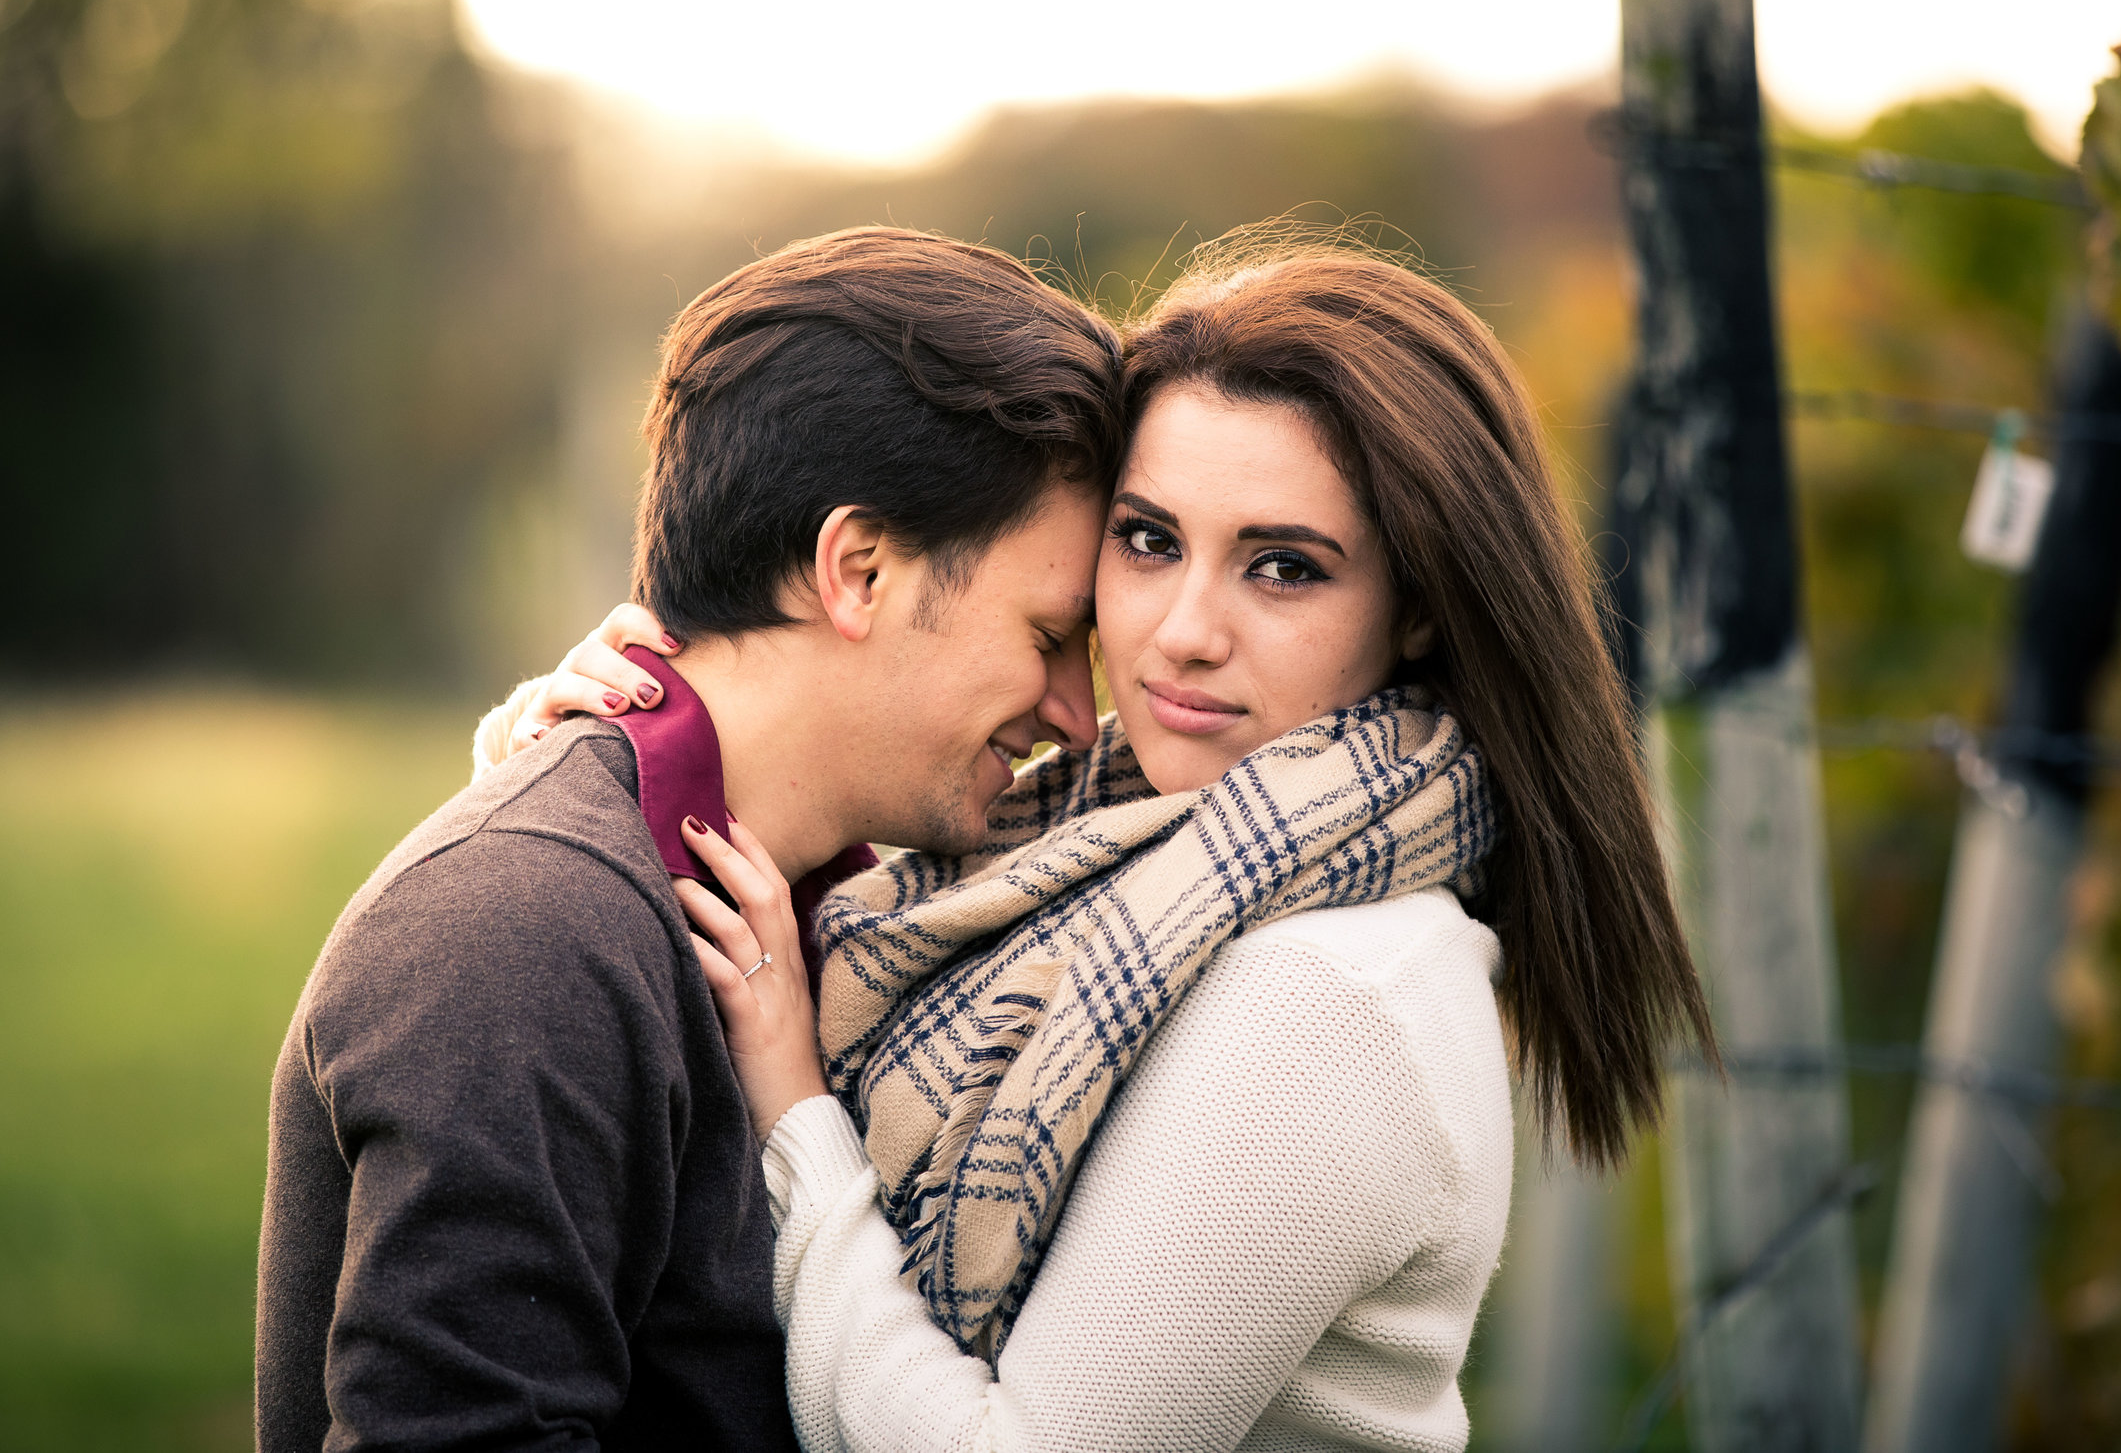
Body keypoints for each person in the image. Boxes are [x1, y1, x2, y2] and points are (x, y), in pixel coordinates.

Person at [510, 238, 1714, 1453]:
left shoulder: (1334, 994)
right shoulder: (1096, 847)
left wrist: (795, 1110)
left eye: (1283, 567)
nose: (1184, 631)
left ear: (1416, 608)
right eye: (1147, 540)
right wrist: (614, 773)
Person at [254, 225, 1125, 1452]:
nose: (1077, 715)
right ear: (859, 569)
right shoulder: (519, 941)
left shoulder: (873, 910)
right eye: (1047, 635)